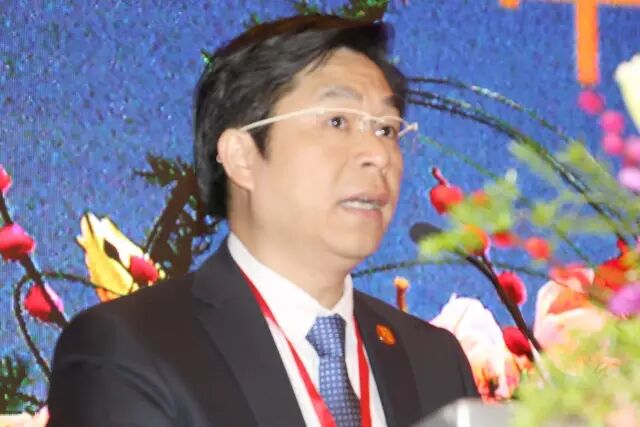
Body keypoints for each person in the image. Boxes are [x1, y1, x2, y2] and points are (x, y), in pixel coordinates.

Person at [47, 14, 478, 427]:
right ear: (242, 157)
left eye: (387, 129)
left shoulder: (435, 359)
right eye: (337, 121)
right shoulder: (128, 349)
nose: (379, 154)